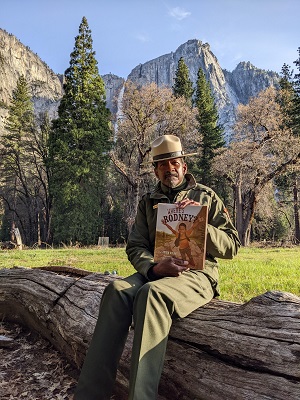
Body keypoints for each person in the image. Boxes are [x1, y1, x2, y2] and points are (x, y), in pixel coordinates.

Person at [74, 134, 241, 400]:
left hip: (195, 274)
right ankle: (89, 394)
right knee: (116, 290)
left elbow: (232, 246)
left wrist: (202, 225)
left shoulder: (205, 196)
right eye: (163, 165)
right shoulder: (148, 202)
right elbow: (135, 246)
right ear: (156, 170)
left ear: (184, 167)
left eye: (174, 163)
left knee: (151, 295)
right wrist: (152, 269)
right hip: (158, 270)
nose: (169, 169)